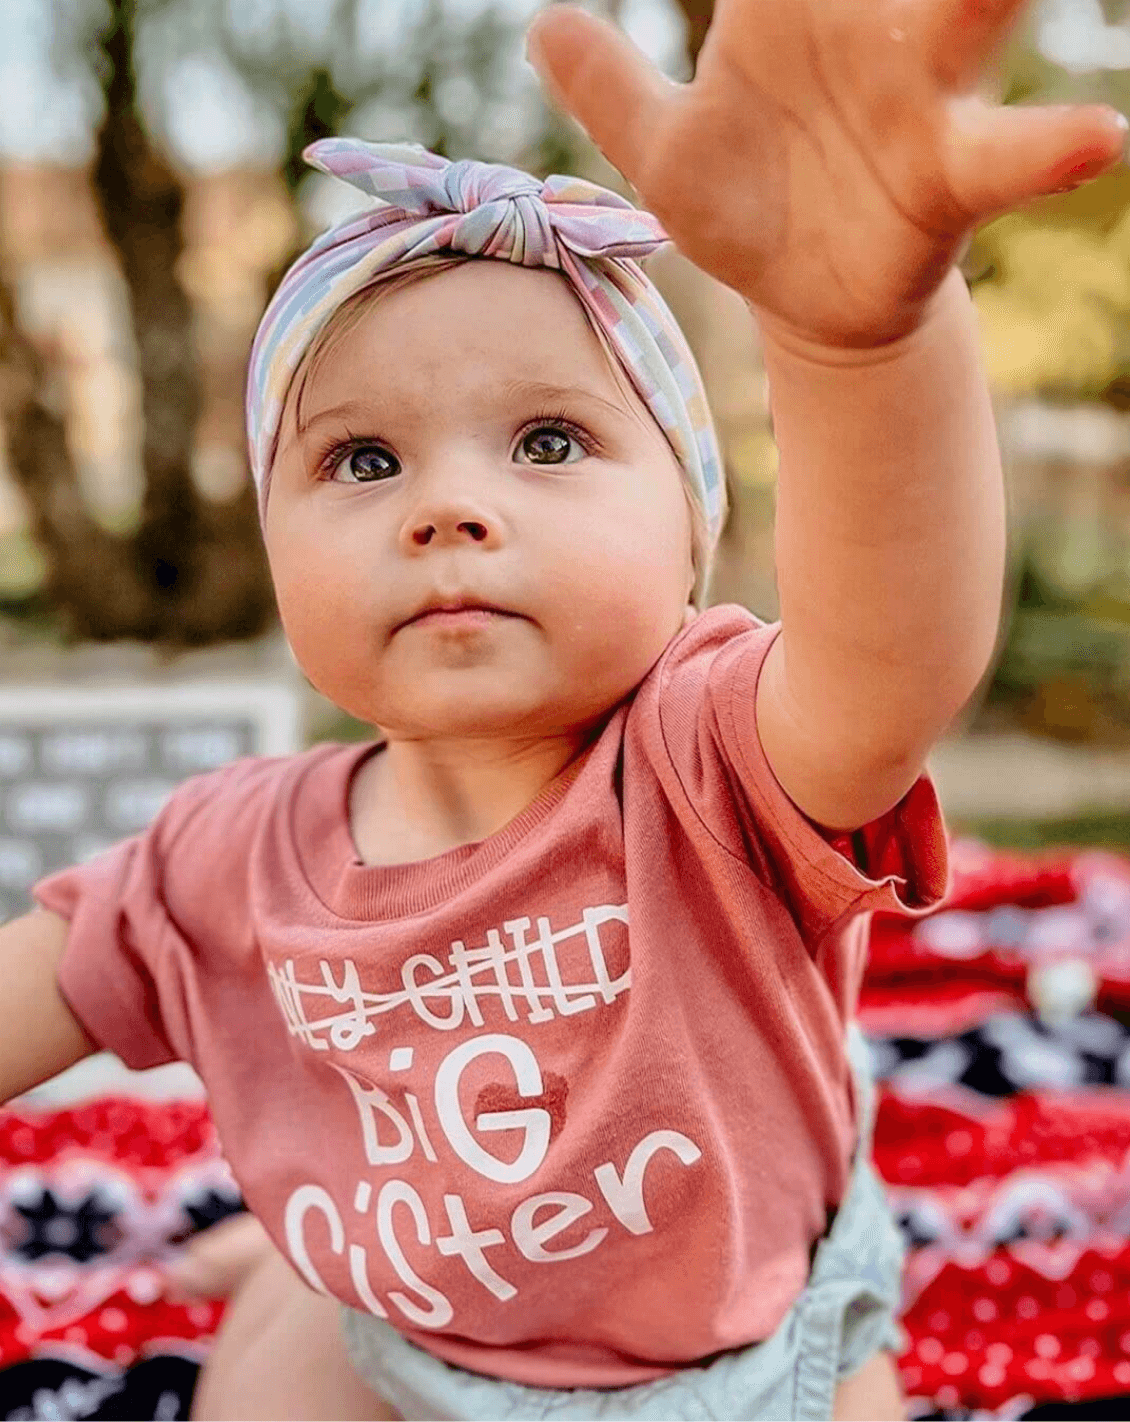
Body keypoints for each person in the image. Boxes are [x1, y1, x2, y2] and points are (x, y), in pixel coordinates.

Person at [2, 0, 1124, 1417]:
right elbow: (34, 984)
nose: (447, 508)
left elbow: (894, 657)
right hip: (405, 1338)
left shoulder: (709, 760)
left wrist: (853, 345)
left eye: (547, 439)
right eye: (358, 460)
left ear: (688, 527)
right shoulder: (224, 852)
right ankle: (295, 1264)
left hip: (748, 1347)